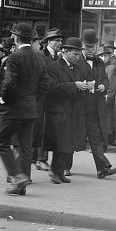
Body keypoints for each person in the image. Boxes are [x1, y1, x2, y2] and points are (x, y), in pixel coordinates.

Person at [0, 23, 48, 195]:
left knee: (2, 141)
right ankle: (22, 185)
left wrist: (3, 99)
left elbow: (9, 83)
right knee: (25, 147)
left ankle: (16, 176)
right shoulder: (39, 57)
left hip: (13, 109)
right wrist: (32, 99)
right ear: (31, 39)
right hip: (31, 109)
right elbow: (45, 85)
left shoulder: (13, 58)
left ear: (16, 38)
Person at [45, 37, 89, 184]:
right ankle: (55, 171)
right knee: (60, 143)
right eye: (75, 54)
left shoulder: (78, 67)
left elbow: (77, 85)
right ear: (65, 52)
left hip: (73, 111)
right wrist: (74, 85)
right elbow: (52, 88)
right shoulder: (53, 67)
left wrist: (85, 86)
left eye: (79, 54)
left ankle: (58, 171)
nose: (78, 57)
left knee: (67, 143)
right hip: (59, 111)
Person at [78, 29, 116, 179]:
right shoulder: (76, 61)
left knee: (95, 138)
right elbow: (72, 80)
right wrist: (83, 85)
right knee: (70, 138)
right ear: (82, 45)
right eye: (87, 46)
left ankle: (103, 168)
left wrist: (104, 86)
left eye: (92, 47)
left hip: (94, 107)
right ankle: (63, 168)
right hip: (79, 107)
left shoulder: (99, 61)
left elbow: (105, 79)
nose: (90, 50)